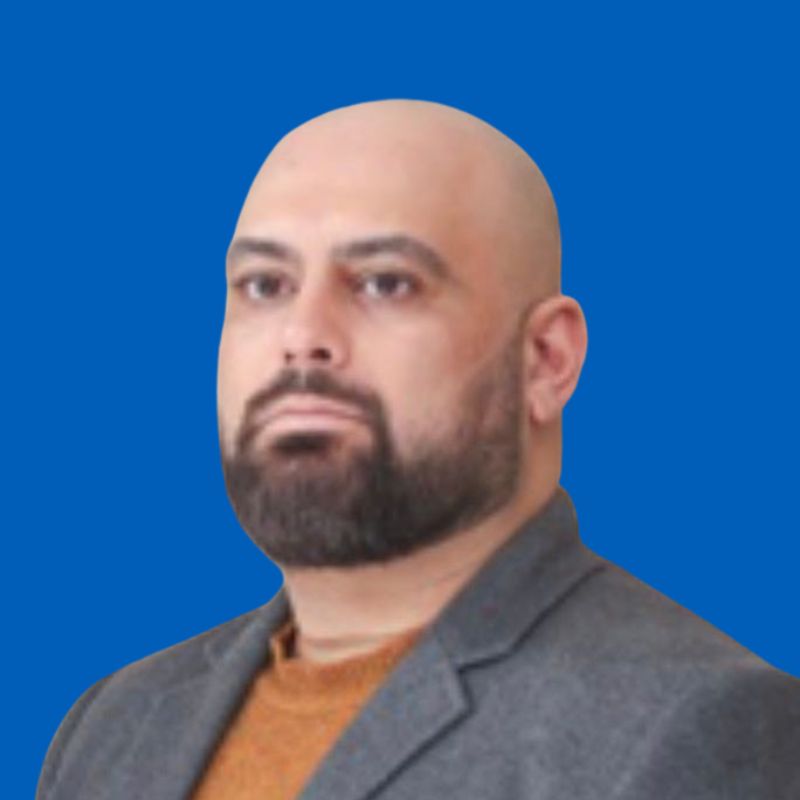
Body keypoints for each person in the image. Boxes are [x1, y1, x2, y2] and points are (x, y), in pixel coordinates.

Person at [37, 100, 799, 800]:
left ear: (546, 361)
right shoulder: (114, 722)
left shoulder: (701, 724)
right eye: (265, 285)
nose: (302, 337)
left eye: (385, 283)